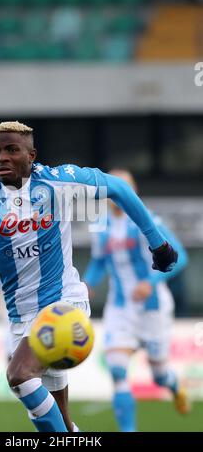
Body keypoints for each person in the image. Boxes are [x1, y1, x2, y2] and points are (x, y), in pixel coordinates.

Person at [0, 121, 178, 433]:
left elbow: (118, 189)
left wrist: (157, 242)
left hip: (63, 306)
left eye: (12, 150)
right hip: (19, 318)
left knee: (19, 375)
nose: (2, 158)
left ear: (31, 155)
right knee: (58, 426)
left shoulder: (57, 181)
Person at [84, 169, 190, 432]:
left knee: (159, 375)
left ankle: (175, 387)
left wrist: (150, 282)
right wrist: (87, 284)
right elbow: (99, 262)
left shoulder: (147, 221)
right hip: (119, 308)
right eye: (111, 187)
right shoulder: (100, 225)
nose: (114, 194)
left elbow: (181, 257)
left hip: (153, 308)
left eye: (123, 187)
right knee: (118, 371)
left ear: (133, 192)